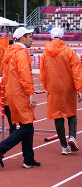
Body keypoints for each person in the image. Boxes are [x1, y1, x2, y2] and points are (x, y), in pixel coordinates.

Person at [0, 27, 40, 169]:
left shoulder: (10, 52)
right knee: (27, 127)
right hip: (21, 93)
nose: (32, 39)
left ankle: (28, 159)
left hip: (13, 93)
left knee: (27, 125)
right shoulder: (21, 53)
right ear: (22, 38)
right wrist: (31, 93)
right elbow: (24, 75)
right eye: (30, 36)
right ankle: (0, 148)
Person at [39, 27, 82, 155]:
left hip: (53, 88)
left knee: (57, 116)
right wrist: (79, 89)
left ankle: (64, 146)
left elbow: (42, 74)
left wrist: (47, 87)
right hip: (68, 88)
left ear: (51, 37)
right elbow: (77, 72)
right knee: (71, 113)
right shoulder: (69, 52)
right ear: (63, 37)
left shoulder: (45, 54)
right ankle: (72, 137)